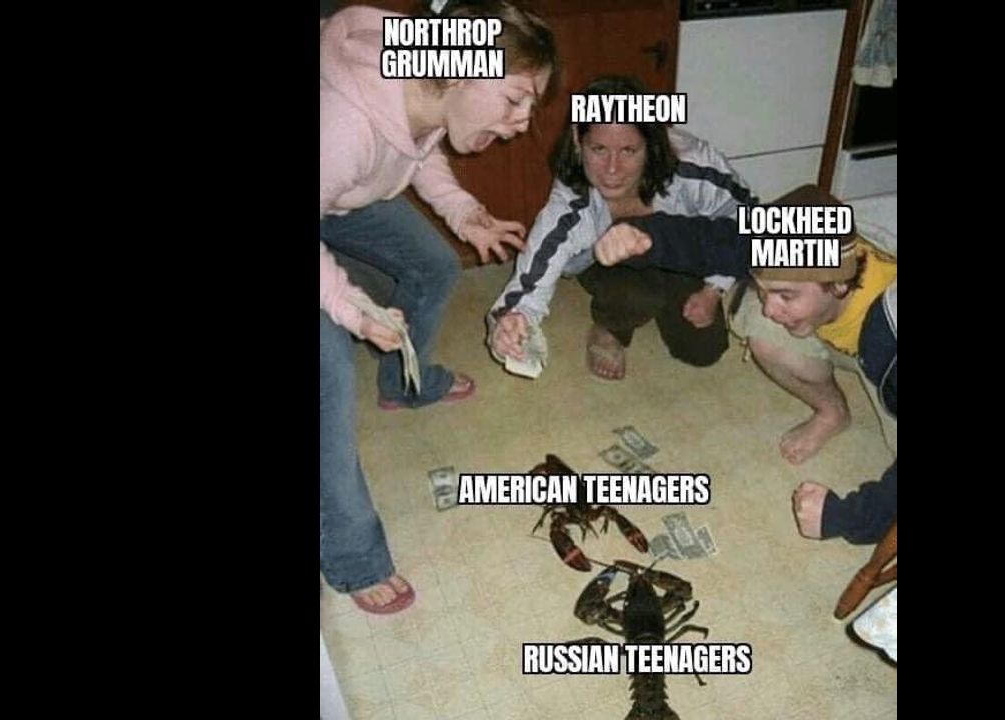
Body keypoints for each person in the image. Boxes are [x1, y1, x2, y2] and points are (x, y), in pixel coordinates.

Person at [319, 0, 558, 613]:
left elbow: (418, 147)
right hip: (329, 173)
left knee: (435, 264)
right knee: (329, 373)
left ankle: (405, 383)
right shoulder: (342, 127)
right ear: (457, 70)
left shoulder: (423, 93)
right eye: (515, 99)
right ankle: (353, 557)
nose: (522, 123)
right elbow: (364, 143)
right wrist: (350, 307)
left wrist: (462, 211)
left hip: (340, 190)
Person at [591, 191, 896, 544]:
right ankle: (832, 412)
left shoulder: (889, 329)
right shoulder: (810, 245)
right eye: (765, 291)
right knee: (760, 328)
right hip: (851, 332)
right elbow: (715, 241)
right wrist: (644, 237)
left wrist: (845, 518)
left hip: (887, 353)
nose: (770, 307)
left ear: (839, 284)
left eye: (786, 295)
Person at [487, 74, 757, 380]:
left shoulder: (694, 165)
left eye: (629, 151)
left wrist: (714, 288)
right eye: (599, 150)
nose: (612, 169)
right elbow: (531, 277)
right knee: (636, 295)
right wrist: (511, 321)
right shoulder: (571, 199)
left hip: (678, 249)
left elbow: (748, 220)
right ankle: (610, 327)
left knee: (703, 349)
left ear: (651, 144)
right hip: (602, 262)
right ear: (577, 140)